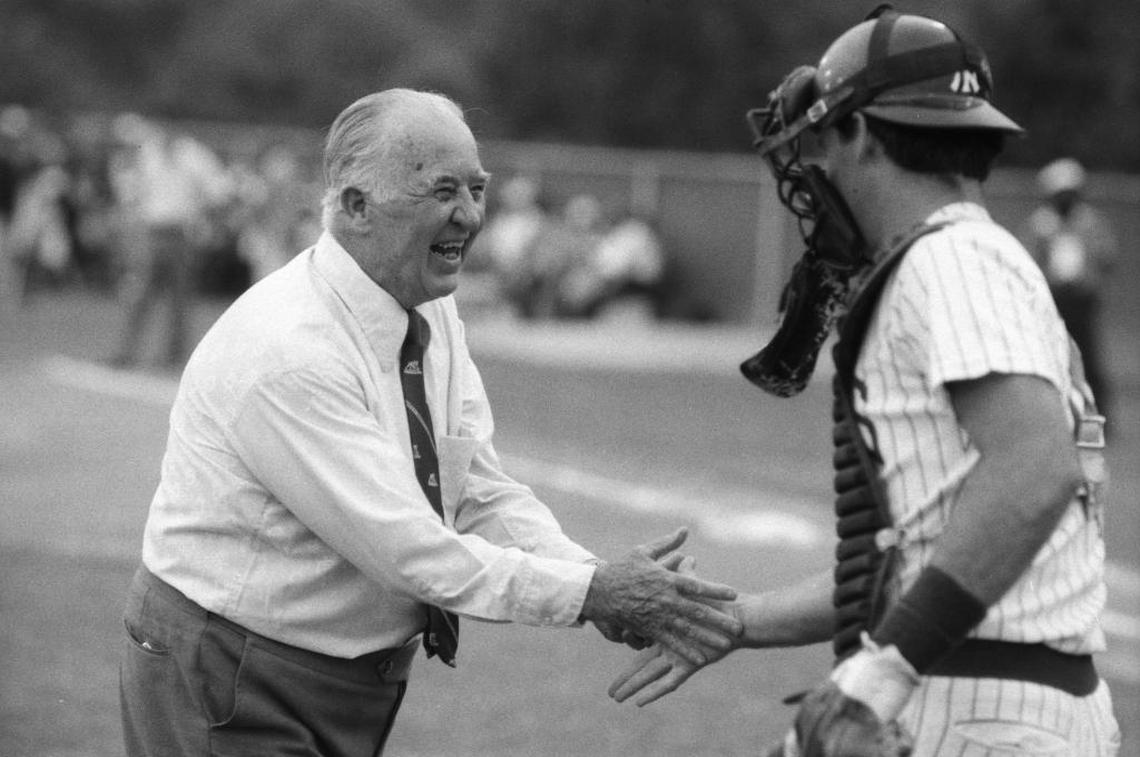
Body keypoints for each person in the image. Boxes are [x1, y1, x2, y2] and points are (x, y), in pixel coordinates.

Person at [118, 88, 743, 757]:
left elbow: (474, 485)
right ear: (356, 206)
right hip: (232, 669)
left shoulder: (428, 305)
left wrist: (591, 575)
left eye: (477, 187)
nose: (471, 216)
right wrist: (596, 593)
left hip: (338, 677)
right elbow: (408, 548)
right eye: (443, 190)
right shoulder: (291, 351)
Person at [609, 9, 1120, 756]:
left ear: (863, 132)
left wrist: (882, 669)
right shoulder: (971, 256)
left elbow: (1035, 470)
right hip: (986, 695)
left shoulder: (950, 260)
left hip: (964, 703)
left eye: (822, 139)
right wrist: (740, 619)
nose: (816, 169)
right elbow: (917, 555)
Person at [108, 118, 230, 369]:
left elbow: (220, 189)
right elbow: (130, 190)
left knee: (179, 297)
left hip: (180, 232)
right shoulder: (148, 152)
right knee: (140, 292)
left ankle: (174, 357)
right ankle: (127, 352)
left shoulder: (193, 154)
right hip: (151, 230)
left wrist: (202, 217)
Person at [1025, 157, 1118, 423]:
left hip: (1082, 298)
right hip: (1053, 299)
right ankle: (1055, 417)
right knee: (1051, 356)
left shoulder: (1091, 222)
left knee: (1088, 356)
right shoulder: (1040, 223)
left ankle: (1098, 416)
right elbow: (1029, 260)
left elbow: (1107, 256)